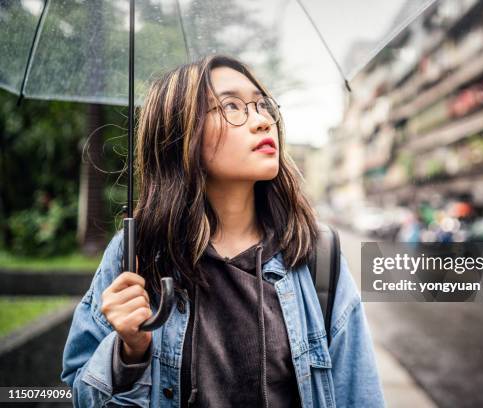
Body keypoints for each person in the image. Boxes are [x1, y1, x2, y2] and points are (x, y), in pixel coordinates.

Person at [61, 54, 384, 407]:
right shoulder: (137, 255)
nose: (262, 121)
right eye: (231, 106)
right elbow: (81, 393)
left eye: (263, 106)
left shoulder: (316, 254)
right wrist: (129, 352)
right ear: (181, 133)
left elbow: (359, 397)